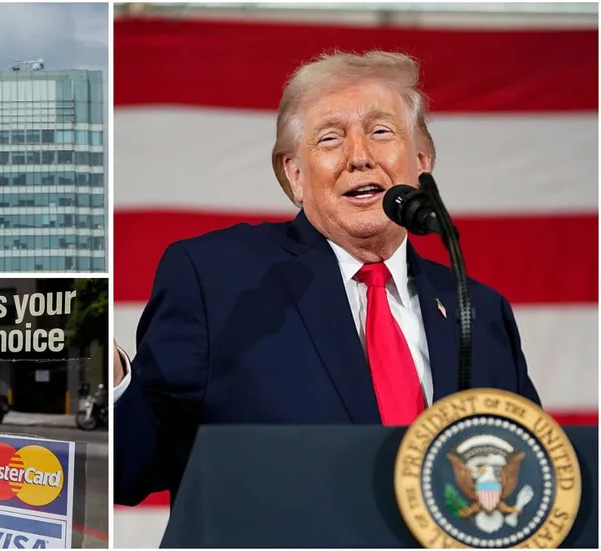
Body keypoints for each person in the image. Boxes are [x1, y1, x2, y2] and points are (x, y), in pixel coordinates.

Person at [112, 51, 541, 507]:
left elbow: (530, 481)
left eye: (380, 131)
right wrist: (105, 367)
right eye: (330, 138)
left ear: (422, 161)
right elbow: (132, 465)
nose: (359, 157)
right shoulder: (217, 278)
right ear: (295, 176)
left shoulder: (479, 310)